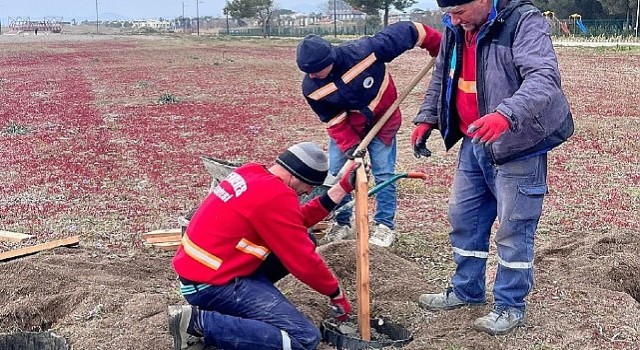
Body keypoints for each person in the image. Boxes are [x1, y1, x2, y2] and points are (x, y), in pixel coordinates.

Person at [411, 0, 574, 336]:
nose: (452, 20)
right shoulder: (458, 25)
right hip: (475, 140)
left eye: (459, 12)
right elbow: (443, 75)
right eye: (449, 14)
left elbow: (544, 78)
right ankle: (466, 289)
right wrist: (428, 116)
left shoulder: (523, 22)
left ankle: (509, 304)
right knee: (464, 217)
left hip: (518, 142)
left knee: (514, 227)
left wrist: (506, 115)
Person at [168, 142, 361, 350]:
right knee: (305, 338)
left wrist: (340, 189)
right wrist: (335, 293)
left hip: (205, 271)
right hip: (211, 285)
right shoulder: (275, 196)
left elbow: (293, 221)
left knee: (306, 238)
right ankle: (198, 323)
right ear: (296, 176)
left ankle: (232, 311)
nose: (308, 192)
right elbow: (303, 260)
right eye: (310, 185)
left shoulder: (252, 173)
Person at [296, 21, 442, 247]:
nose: (312, 76)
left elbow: (412, 31)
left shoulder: (365, 52)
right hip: (349, 128)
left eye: (315, 70)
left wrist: (439, 47)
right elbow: (334, 120)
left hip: (384, 121)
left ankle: (385, 226)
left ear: (329, 60)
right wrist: (351, 148)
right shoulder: (312, 88)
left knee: (383, 174)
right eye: (308, 72)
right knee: (338, 173)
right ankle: (342, 223)